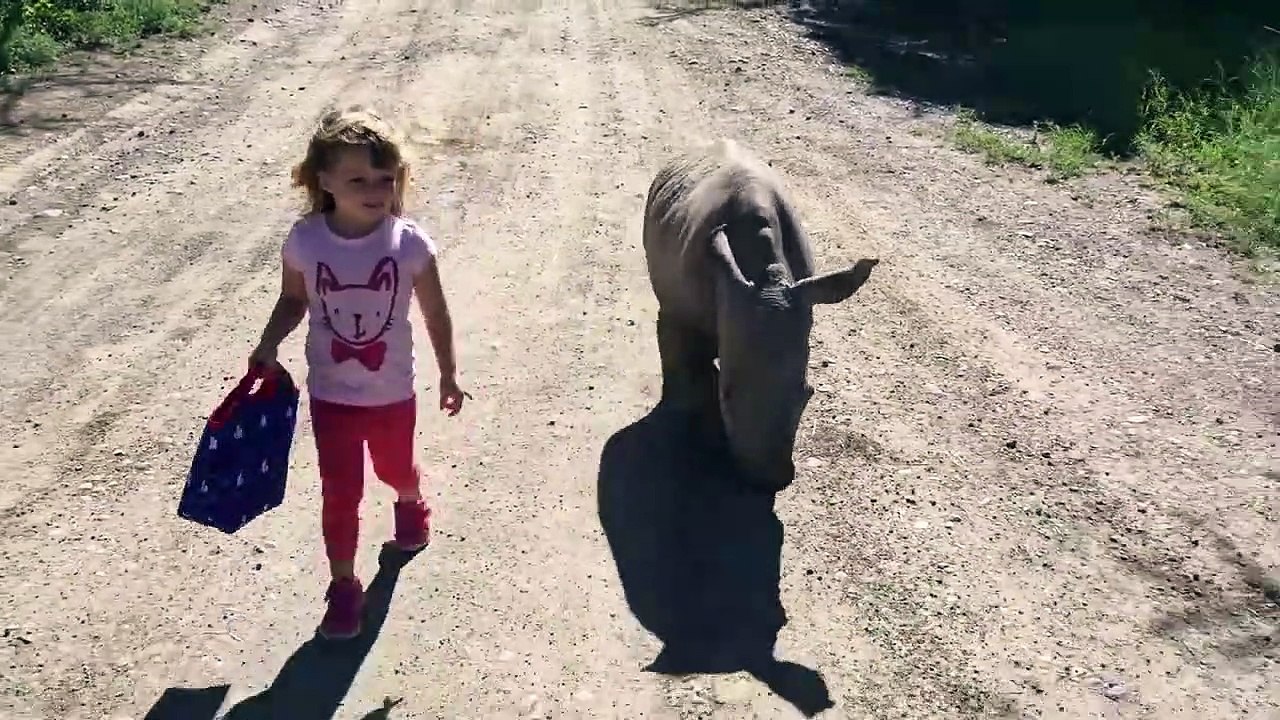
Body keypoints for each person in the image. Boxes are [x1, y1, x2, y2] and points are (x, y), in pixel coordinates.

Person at [247, 104, 466, 640]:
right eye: (358, 179)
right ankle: (344, 588)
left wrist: (448, 373)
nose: (375, 189)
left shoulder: (409, 243)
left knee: (395, 471)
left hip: (392, 392)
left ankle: (411, 500)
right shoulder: (305, 240)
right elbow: (292, 300)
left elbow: (436, 312)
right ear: (323, 180)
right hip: (331, 395)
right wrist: (268, 343)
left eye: (385, 178)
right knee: (339, 491)